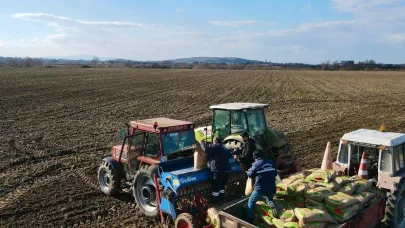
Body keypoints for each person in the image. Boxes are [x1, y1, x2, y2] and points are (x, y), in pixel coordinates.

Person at [247, 150, 278, 223]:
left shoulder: (255, 164)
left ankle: (249, 220)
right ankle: (271, 204)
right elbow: (275, 174)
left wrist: (249, 171)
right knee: (269, 199)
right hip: (271, 186)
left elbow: (250, 175)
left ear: (256, 157)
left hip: (260, 188)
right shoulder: (271, 162)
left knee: (251, 201)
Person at [200, 136, 230, 204]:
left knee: (216, 186)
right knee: (222, 186)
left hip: (218, 170)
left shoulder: (216, 146)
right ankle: (221, 198)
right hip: (226, 170)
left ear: (215, 141)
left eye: (213, 142)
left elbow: (205, 149)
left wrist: (202, 143)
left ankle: (215, 200)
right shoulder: (224, 147)